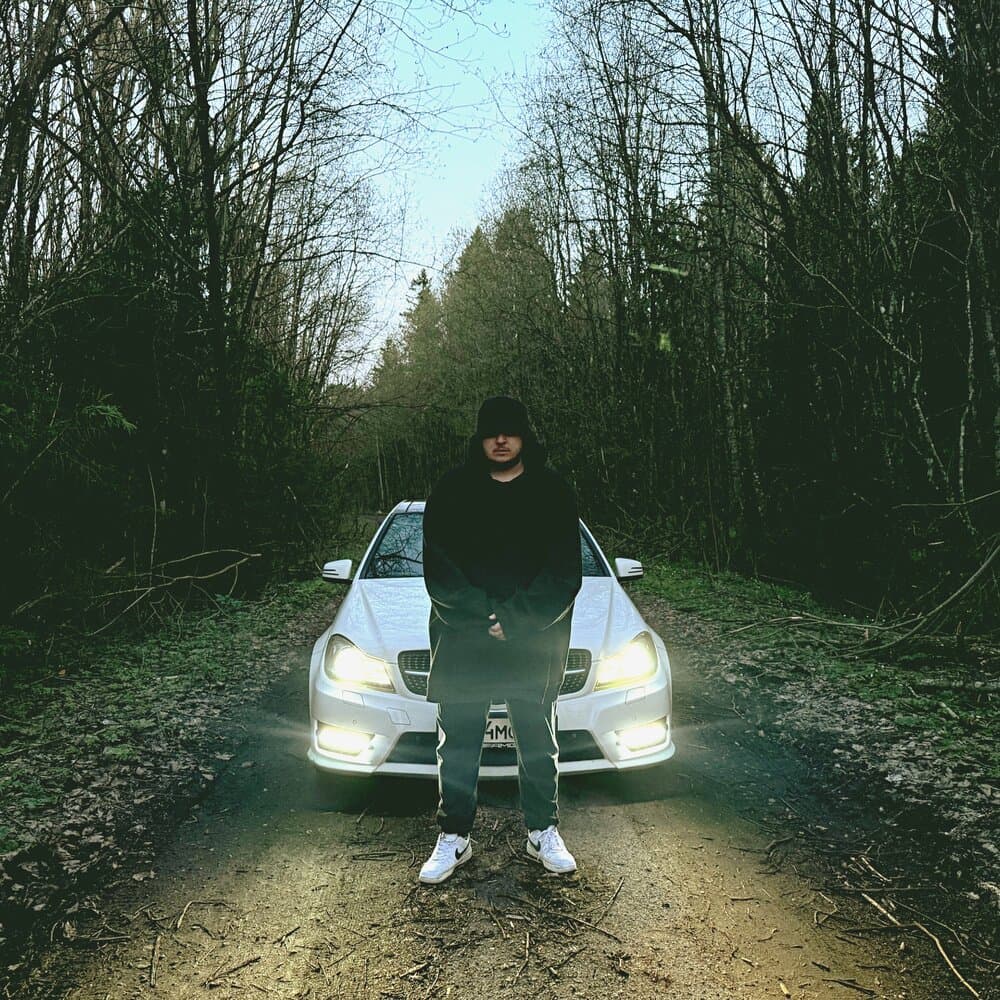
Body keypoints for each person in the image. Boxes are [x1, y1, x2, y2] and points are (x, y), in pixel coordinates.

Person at [418, 395, 583, 884]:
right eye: (493, 432)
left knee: (537, 740)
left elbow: (563, 573)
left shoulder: (552, 492)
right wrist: (480, 616)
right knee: (458, 743)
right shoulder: (453, 490)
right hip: (463, 640)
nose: (502, 440)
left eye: (510, 431)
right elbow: (438, 568)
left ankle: (542, 831)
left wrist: (514, 620)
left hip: (532, 641)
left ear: (524, 436)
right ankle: (454, 836)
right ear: (480, 438)